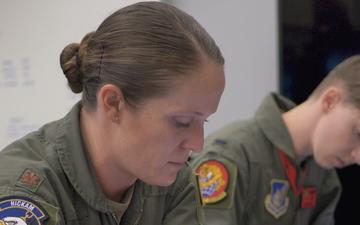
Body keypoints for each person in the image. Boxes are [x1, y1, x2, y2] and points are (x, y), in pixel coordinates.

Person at [0, 2, 225, 225]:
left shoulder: (175, 183)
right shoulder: (23, 193)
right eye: (181, 121)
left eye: (204, 120)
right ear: (113, 103)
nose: (197, 144)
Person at [190, 55, 360, 225]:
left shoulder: (324, 175)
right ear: (330, 101)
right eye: (357, 133)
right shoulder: (230, 155)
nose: (358, 157)